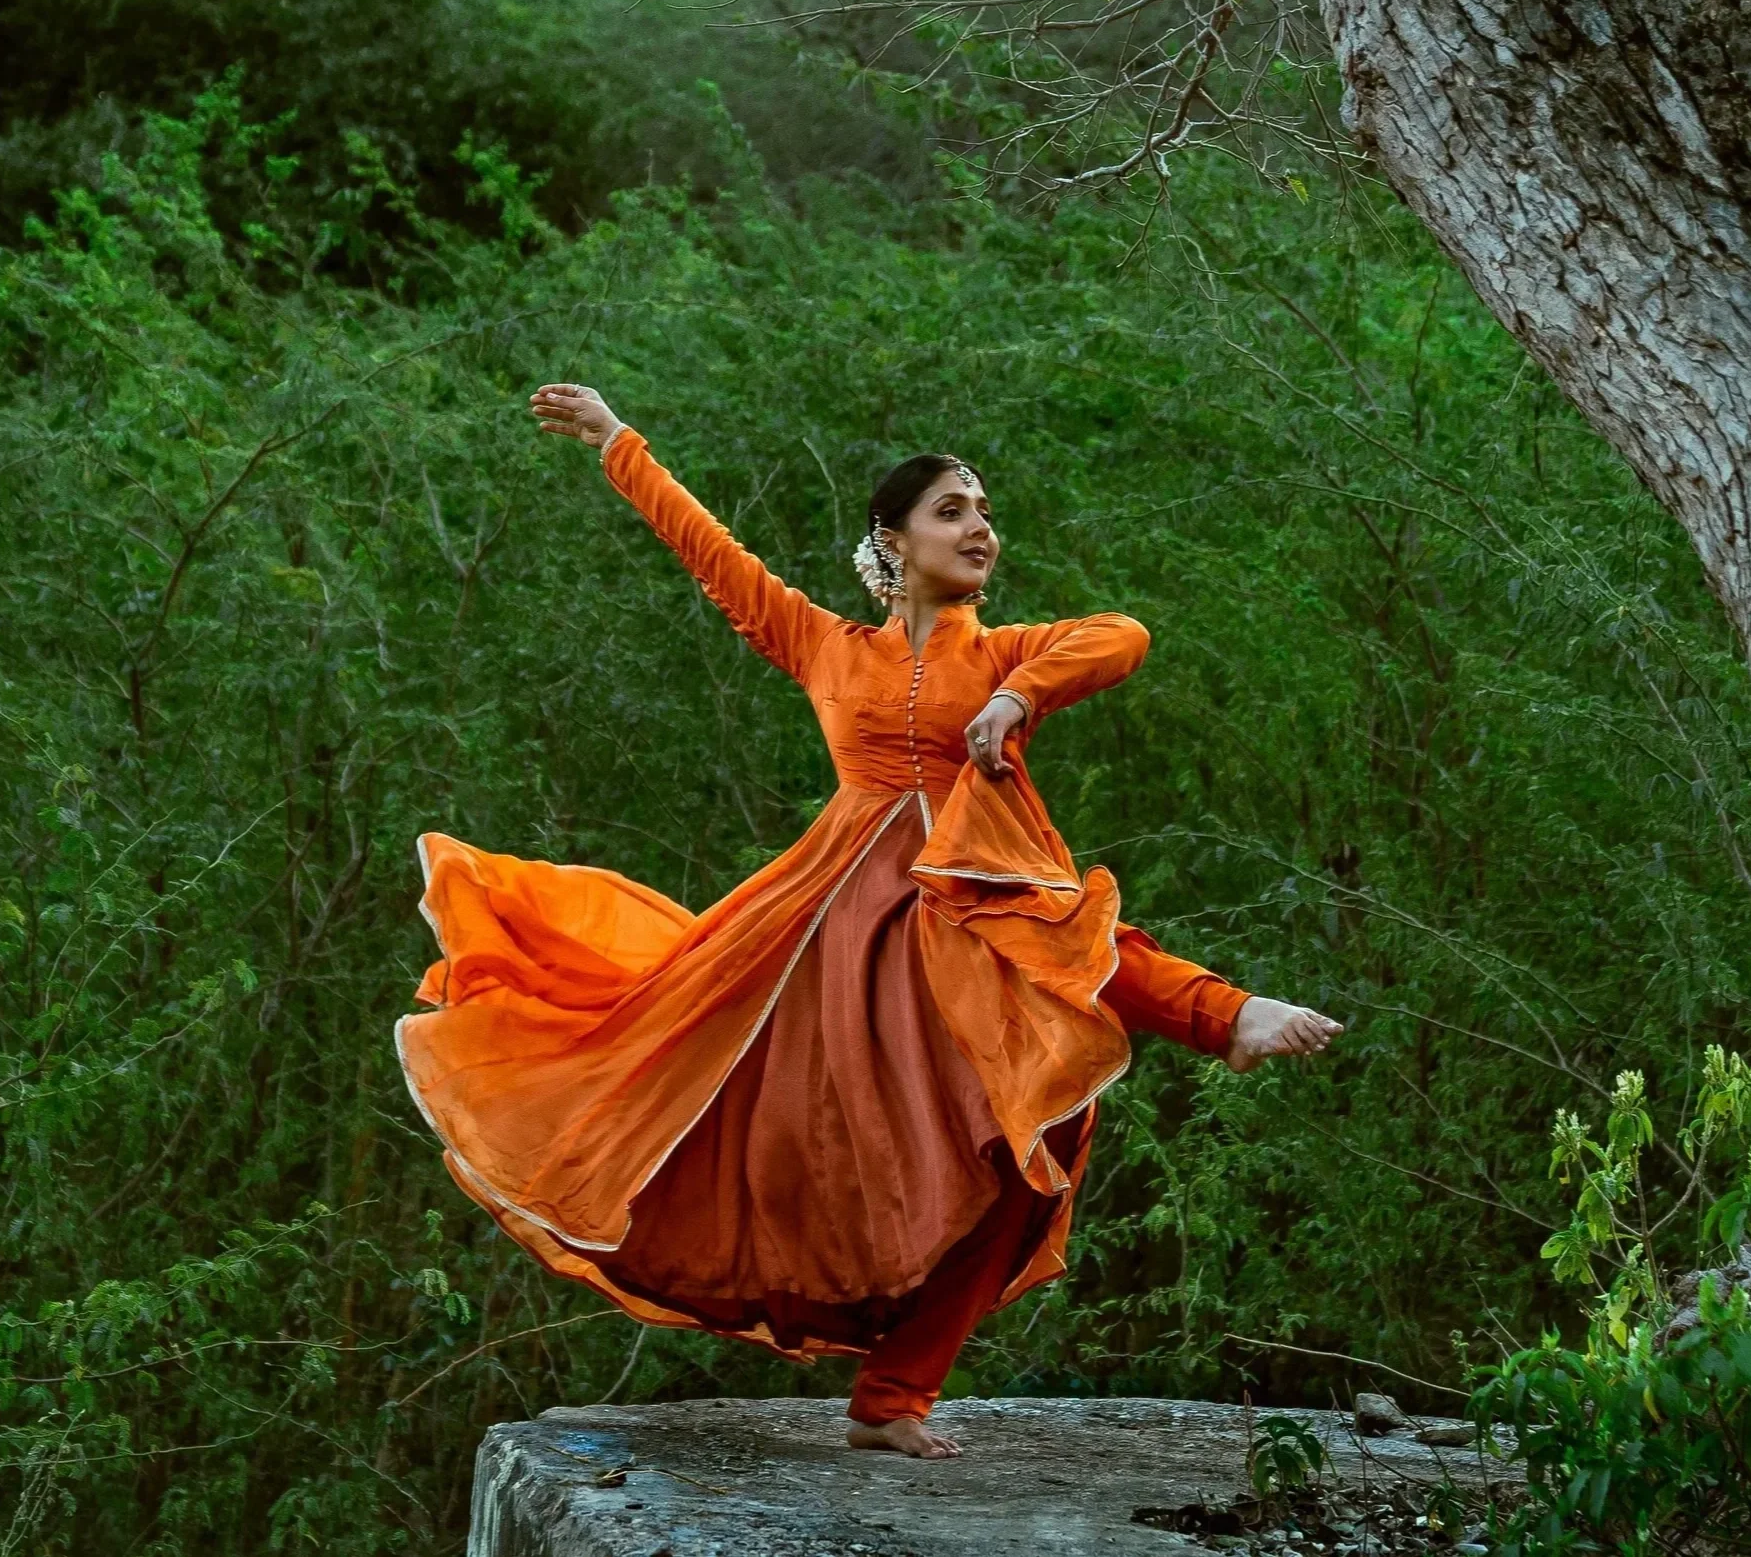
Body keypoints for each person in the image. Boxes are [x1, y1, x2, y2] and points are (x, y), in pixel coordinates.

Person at [396, 384, 1343, 1460]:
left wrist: (1017, 697)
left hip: (977, 893)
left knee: (1031, 1132)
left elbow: (1121, 633)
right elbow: (715, 555)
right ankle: (1225, 1018)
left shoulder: (1004, 653)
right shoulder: (830, 647)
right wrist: (621, 444)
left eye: (986, 511)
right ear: (892, 541)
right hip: (841, 922)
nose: (980, 527)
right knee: (819, 1119)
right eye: (952, 510)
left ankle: (895, 1396)